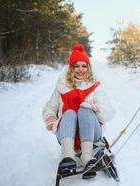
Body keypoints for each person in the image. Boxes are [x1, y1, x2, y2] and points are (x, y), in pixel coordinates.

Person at [42, 44, 115, 178]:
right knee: (69, 112)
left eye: (84, 66)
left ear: (88, 68)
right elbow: (49, 107)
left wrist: (95, 109)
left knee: (84, 109)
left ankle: (87, 156)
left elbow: (109, 112)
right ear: (71, 68)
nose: (80, 70)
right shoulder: (62, 87)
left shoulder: (95, 86)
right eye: (76, 66)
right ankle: (68, 157)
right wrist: (50, 118)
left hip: (92, 133)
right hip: (67, 133)